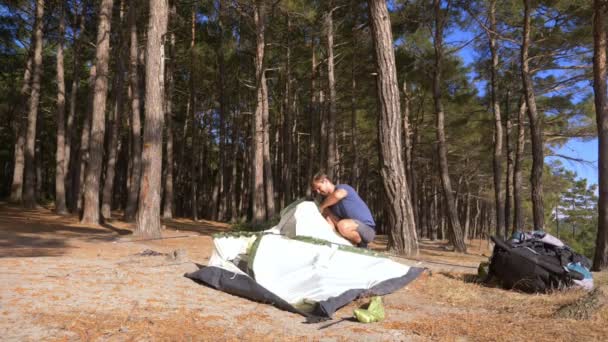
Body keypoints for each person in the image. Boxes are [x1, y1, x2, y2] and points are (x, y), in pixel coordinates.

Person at [311, 173, 376, 248]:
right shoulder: (328, 205)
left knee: (342, 225)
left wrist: (322, 206)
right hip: (347, 228)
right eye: (316, 190)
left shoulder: (343, 188)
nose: (318, 192)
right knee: (334, 222)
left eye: (319, 188)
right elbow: (331, 222)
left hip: (367, 229)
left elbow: (337, 195)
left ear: (325, 181)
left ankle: (362, 246)